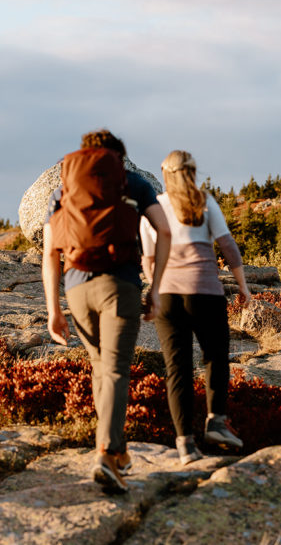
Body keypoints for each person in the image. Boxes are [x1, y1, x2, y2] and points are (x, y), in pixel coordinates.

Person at [42, 129, 171, 494]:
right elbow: (164, 231)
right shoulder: (134, 184)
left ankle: (119, 452)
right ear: (118, 157)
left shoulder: (64, 189)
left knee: (101, 369)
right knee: (115, 371)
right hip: (120, 286)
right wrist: (156, 287)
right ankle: (105, 452)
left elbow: (51, 253)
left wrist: (54, 309)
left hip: (76, 289)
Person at [140, 150, 251, 465]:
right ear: (192, 172)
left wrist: (156, 290)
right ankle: (216, 420)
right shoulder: (205, 201)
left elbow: (148, 260)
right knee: (215, 357)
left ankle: (185, 445)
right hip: (205, 293)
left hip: (168, 298)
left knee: (177, 369)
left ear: (165, 173)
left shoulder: (153, 208)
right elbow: (228, 247)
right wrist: (242, 287)